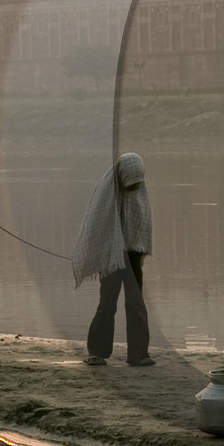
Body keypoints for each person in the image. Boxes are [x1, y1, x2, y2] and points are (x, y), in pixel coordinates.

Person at [72, 152, 154, 367]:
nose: (135, 187)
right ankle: (97, 353)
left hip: (133, 256)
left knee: (136, 304)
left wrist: (138, 252)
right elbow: (97, 228)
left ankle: (138, 354)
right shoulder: (106, 195)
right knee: (107, 304)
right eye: (131, 183)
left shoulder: (140, 193)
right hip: (111, 256)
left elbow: (142, 227)